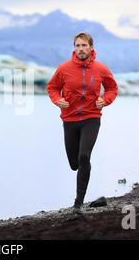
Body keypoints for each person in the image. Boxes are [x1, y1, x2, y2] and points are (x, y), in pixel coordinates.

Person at [46, 32, 118, 212]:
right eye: (78, 45)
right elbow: (52, 87)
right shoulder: (64, 68)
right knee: (74, 164)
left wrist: (105, 100)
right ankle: (79, 181)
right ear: (74, 48)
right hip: (69, 119)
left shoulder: (101, 69)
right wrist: (57, 100)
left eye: (84, 45)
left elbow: (112, 88)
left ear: (91, 48)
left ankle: (78, 203)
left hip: (91, 117)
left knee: (84, 156)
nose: (81, 49)